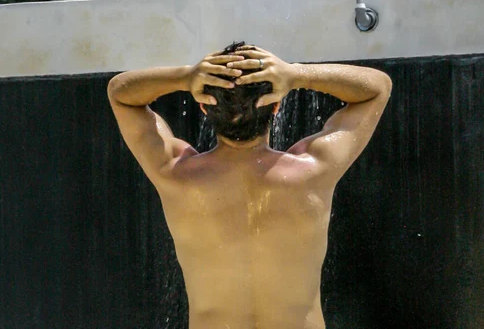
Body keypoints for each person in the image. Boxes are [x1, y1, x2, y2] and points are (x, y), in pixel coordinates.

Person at [107, 42, 392, 329]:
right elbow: (378, 87)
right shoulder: (313, 170)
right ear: (278, 106)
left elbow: (120, 93)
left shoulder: (176, 174)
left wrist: (185, 76)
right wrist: (296, 74)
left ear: (204, 106)